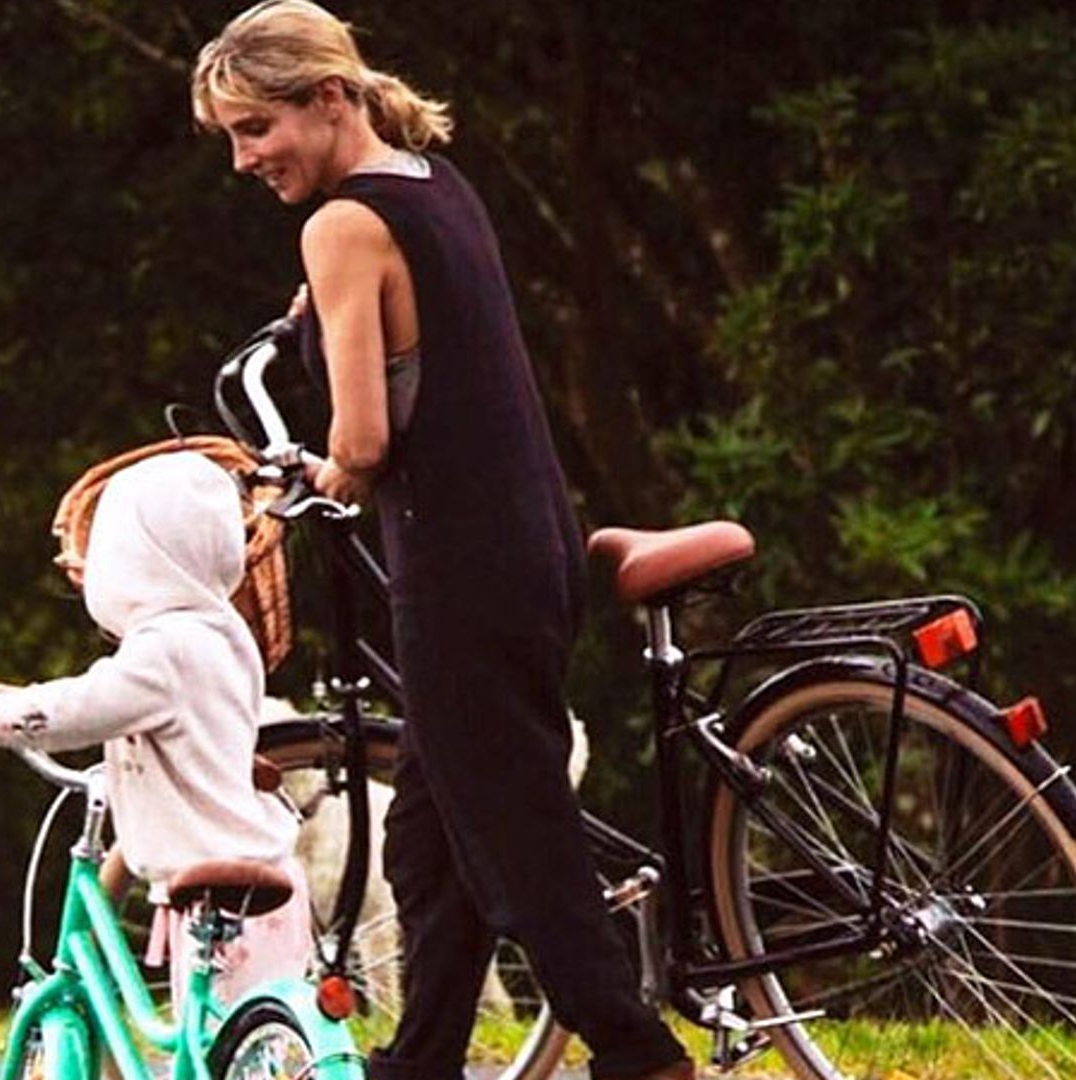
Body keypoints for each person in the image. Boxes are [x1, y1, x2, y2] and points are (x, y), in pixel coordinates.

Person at [190, 5, 694, 1080]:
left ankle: (637, 1050)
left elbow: (365, 439)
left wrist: (320, 475)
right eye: (231, 136)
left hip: (459, 565)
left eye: (255, 127)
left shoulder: (339, 226)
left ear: (328, 98)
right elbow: (436, 339)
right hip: (532, 546)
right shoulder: (433, 186)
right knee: (429, 841)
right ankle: (420, 1060)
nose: (242, 158)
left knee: (518, 831)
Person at [0, 451, 311, 1005]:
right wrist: (18, 695)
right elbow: (130, 701)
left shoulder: (162, 650)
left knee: (217, 1053)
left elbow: (74, 711)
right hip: (267, 879)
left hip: (215, 892)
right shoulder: (222, 635)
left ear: (132, 563)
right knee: (253, 1047)